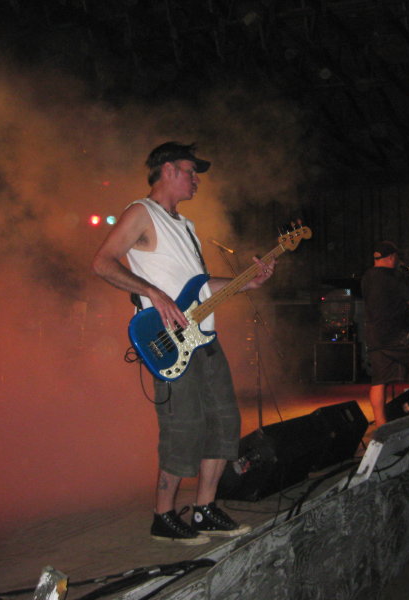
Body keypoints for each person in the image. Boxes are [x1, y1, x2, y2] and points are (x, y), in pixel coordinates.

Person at [92, 141, 275, 544]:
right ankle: (163, 515)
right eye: (191, 172)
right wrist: (153, 293)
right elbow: (102, 262)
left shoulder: (186, 227)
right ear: (169, 170)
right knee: (183, 428)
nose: (197, 180)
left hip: (205, 339)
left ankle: (205, 508)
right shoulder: (142, 213)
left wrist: (247, 282)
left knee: (225, 423)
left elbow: (202, 288)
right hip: (171, 345)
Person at [361, 241, 409, 426]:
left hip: (374, 334)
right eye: (396, 257)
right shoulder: (392, 275)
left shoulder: (367, 276)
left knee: (379, 381)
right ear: (391, 257)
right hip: (394, 332)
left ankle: (380, 424)